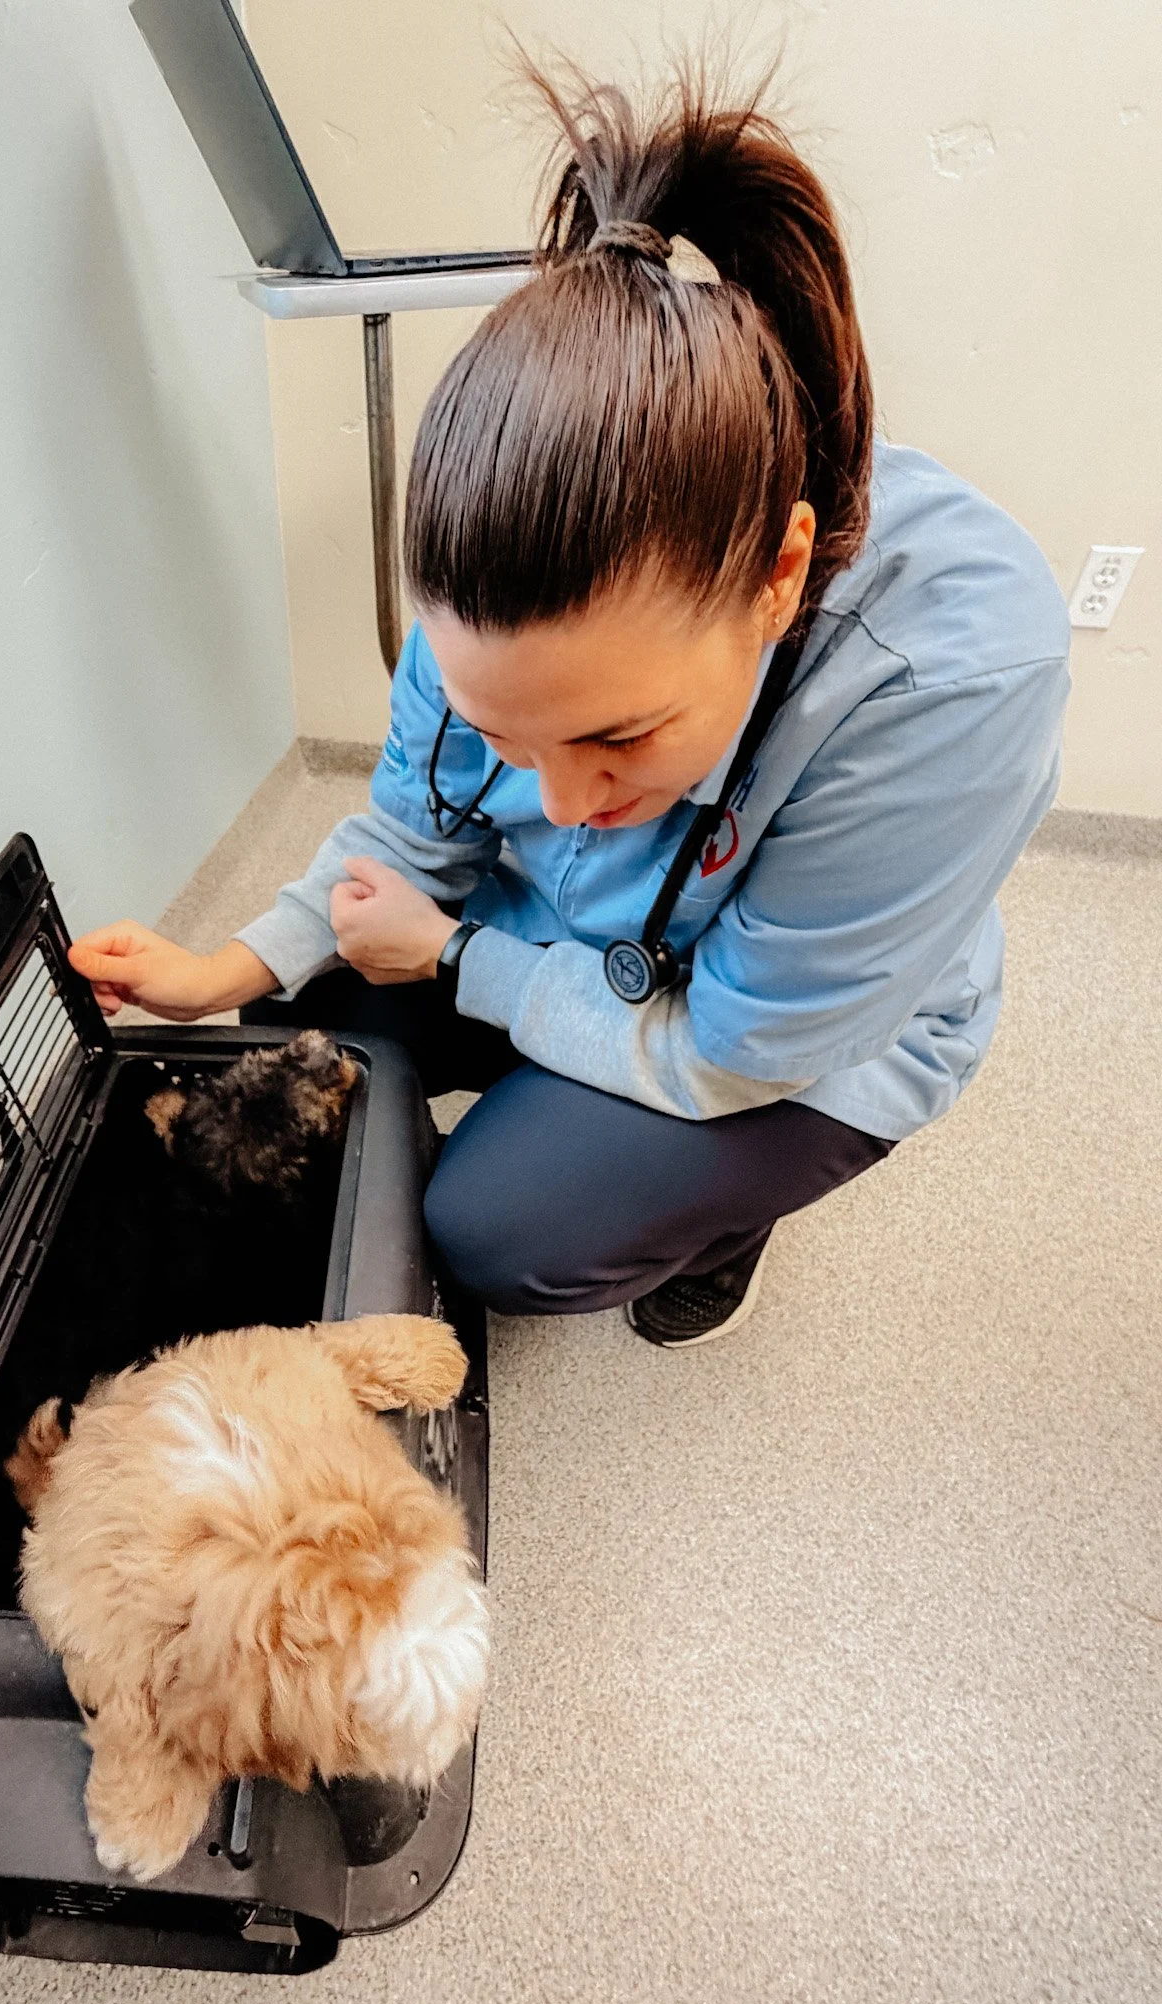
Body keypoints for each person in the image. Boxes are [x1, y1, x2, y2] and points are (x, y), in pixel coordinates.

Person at [67, 69, 1069, 1348]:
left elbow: (734, 1047)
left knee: (498, 1235)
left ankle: (721, 1219)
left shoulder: (954, 677)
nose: (554, 804)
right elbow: (409, 841)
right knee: (294, 1030)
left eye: (617, 736)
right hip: (576, 944)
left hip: (781, 1026)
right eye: (504, 737)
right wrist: (221, 965)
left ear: (775, 579)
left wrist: (458, 959)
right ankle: (576, 1082)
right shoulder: (485, 598)